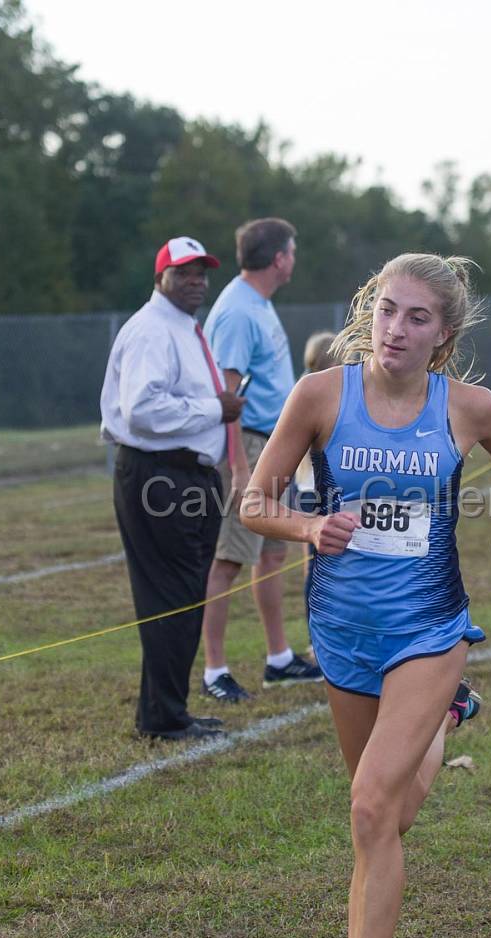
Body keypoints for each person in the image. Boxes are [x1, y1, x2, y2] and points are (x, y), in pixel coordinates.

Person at [238, 252, 491, 938]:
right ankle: (442, 723)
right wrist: (308, 530)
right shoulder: (319, 395)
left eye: (417, 317)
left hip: (430, 630)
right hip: (342, 629)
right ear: (367, 310)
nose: (395, 329)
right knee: (392, 817)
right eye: (387, 310)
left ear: (443, 335)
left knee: (368, 807)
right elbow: (254, 504)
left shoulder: (468, 406)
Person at [99, 236, 245, 741]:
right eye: (184, 272)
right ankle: (163, 716)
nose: (196, 281)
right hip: (158, 474)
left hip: (185, 473)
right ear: (161, 276)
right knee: (171, 596)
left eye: (202, 273)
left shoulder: (182, 327)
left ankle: (166, 709)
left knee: (183, 593)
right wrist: (215, 409)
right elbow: (141, 408)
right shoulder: (150, 330)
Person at [201, 218, 321, 704]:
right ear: (278, 258)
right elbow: (225, 396)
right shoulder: (236, 311)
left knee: (273, 554)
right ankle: (214, 669)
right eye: (291, 250)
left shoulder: (259, 304)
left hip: (273, 444)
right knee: (228, 559)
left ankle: (278, 658)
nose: (294, 258)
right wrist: (238, 467)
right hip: (248, 446)